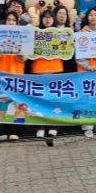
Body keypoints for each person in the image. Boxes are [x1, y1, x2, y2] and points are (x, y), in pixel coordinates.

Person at [0, 11, 26, 141]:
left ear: (17, 22)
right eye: (8, 20)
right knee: (2, 103)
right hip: (1, 76)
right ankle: (1, 131)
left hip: (17, 76)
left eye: (13, 20)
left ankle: (16, 131)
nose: (11, 22)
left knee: (16, 104)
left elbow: (24, 59)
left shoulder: (23, 37)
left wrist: (20, 53)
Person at [76, 8, 96, 138]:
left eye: (95, 14)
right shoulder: (81, 33)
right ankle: (87, 126)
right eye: (90, 15)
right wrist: (88, 66)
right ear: (87, 17)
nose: (93, 17)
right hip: (86, 71)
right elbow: (78, 56)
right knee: (87, 98)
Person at [30, 10, 61, 139]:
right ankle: (40, 127)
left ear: (54, 19)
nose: (47, 20)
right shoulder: (35, 33)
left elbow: (66, 52)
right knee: (39, 100)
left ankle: (53, 126)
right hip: (39, 69)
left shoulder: (60, 34)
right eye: (45, 17)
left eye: (50, 17)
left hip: (56, 69)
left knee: (54, 100)